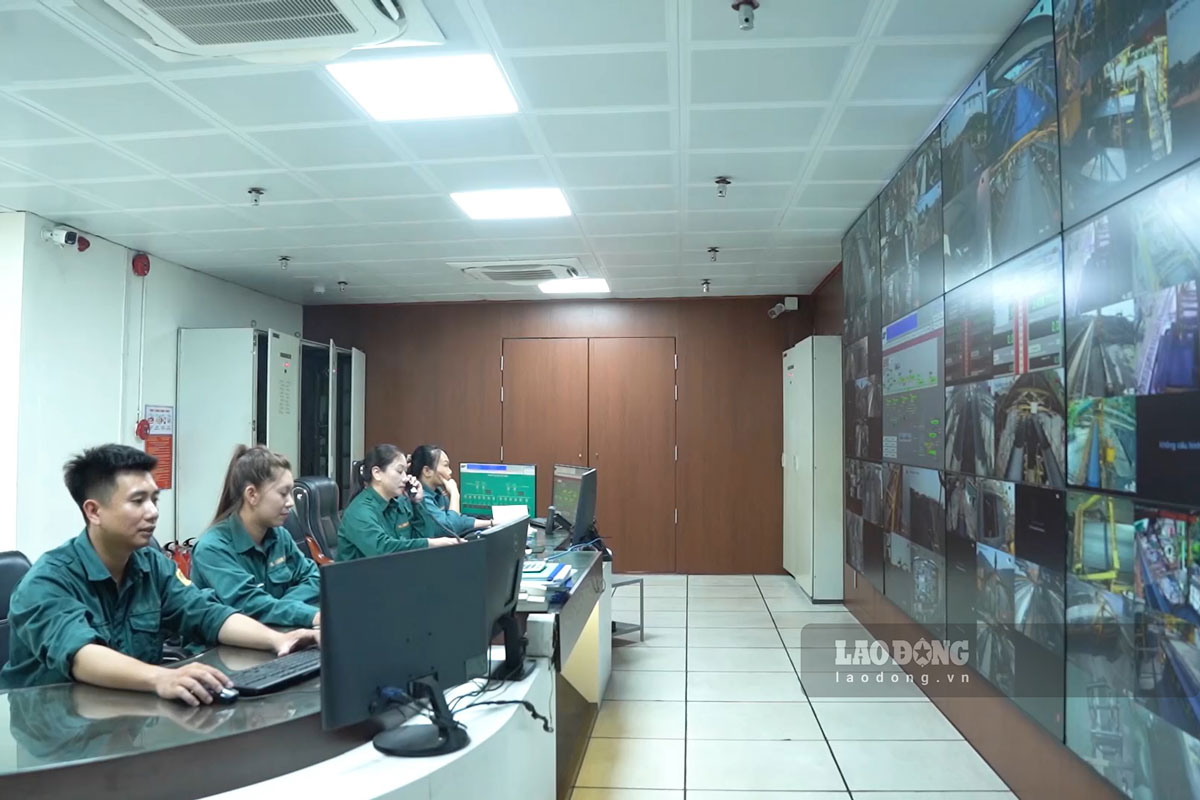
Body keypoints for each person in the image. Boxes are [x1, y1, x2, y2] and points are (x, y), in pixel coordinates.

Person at [0, 444, 318, 705]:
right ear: (93, 511)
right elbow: (80, 655)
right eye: (137, 501)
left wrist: (279, 639)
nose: (152, 512)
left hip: (125, 716)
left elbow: (208, 613)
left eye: (154, 499)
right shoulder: (48, 580)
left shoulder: (151, 565)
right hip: (47, 735)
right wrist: (160, 677)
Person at [189, 445, 320, 629]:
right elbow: (249, 606)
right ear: (252, 495)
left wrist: (282, 607)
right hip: (221, 650)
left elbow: (314, 578)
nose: (290, 503)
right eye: (283, 493)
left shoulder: (279, 536)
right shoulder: (212, 548)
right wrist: (303, 613)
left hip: (277, 632)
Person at [337, 444, 460, 560]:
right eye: (400, 471)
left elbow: (424, 535)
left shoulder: (399, 503)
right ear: (377, 473)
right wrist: (430, 543)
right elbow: (383, 550)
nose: (406, 478)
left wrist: (417, 503)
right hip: (360, 578)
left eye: (406, 472)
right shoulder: (360, 511)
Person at [409, 444, 492, 538]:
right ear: (427, 471)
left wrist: (492, 523)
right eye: (445, 465)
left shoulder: (439, 492)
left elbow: (458, 520)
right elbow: (451, 527)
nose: (450, 471)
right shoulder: (420, 498)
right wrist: (454, 493)